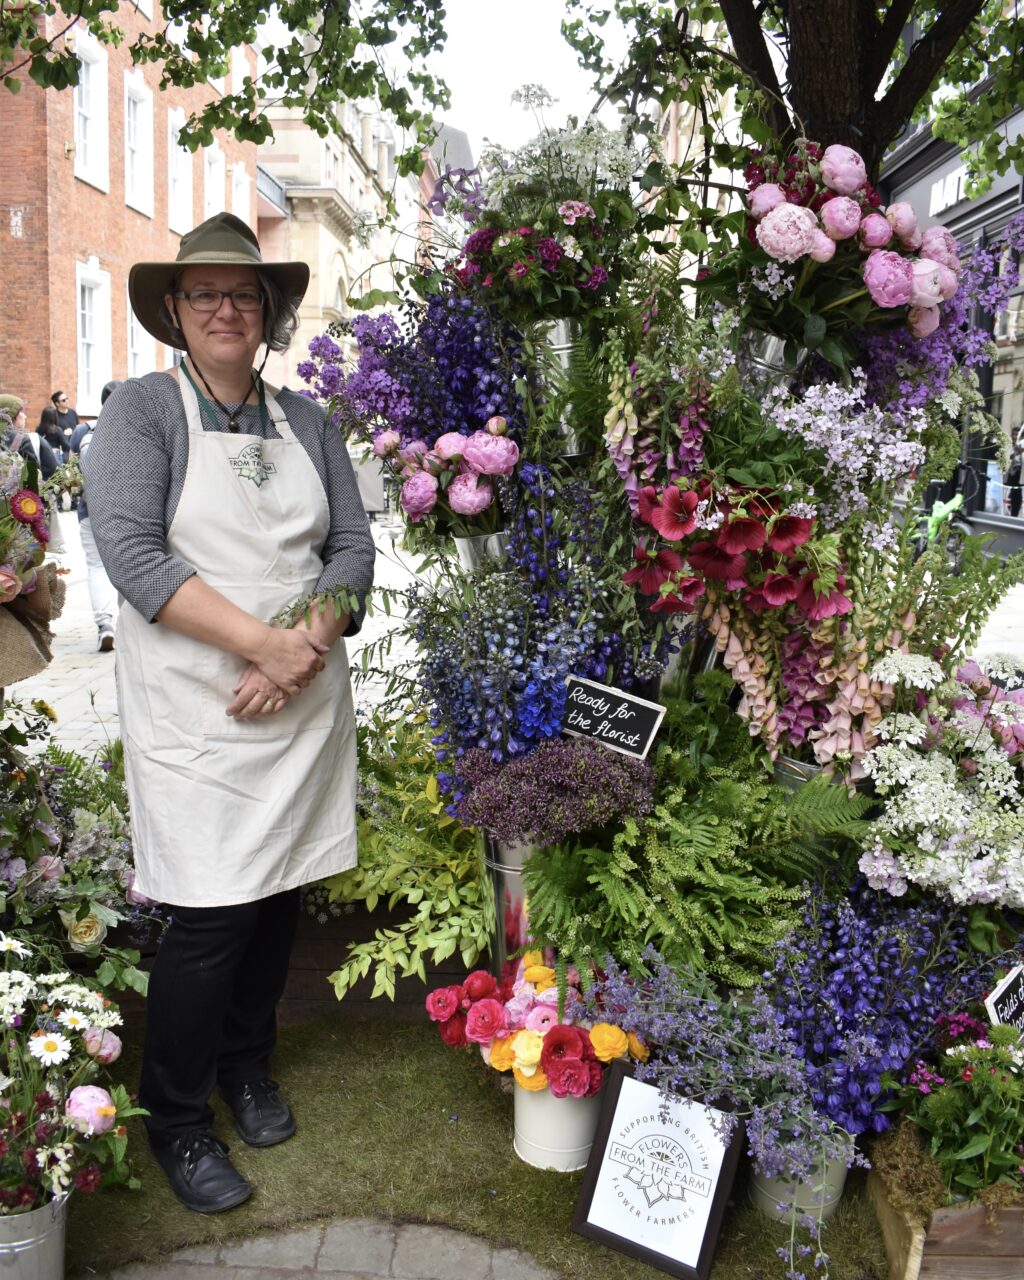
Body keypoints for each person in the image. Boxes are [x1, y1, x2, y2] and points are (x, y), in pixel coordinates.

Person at [84, 213, 375, 1214]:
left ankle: (248, 1066)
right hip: (199, 708)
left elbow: (351, 552)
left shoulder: (310, 424)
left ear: (268, 313)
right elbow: (134, 555)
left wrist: (301, 648)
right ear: (174, 308)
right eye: (202, 292)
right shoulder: (143, 412)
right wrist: (262, 645)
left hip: (295, 701)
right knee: (210, 915)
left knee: (278, 897)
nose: (222, 307)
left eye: (242, 293)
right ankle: (174, 1115)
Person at [69, 382, 120, 651]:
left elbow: (72, 468)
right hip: (124, 511)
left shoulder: (82, 431)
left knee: (97, 566)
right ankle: (133, 625)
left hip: (89, 510)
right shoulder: (133, 429)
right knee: (133, 563)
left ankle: (104, 625)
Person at [0, 394, 58, 479]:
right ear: (10, 416)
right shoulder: (25, 441)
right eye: (20, 411)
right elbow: (34, 480)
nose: (25, 416)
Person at [49, 390, 79, 459]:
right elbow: (53, 435)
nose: (67, 401)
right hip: (63, 451)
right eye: (63, 400)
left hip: (75, 448)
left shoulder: (73, 413)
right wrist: (63, 433)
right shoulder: (54, 416)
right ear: (57, 404)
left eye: (67, 398)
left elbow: (78, 427)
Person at [1005, 425, 1023, 519]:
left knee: (1017, 496)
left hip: (1020, 477)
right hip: (1010, 476)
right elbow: (1006, 458)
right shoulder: (1008, 445)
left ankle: (1015, 515)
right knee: (1009, 494)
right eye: (1014, 434)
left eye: (1017, 434)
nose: (1015, 436)